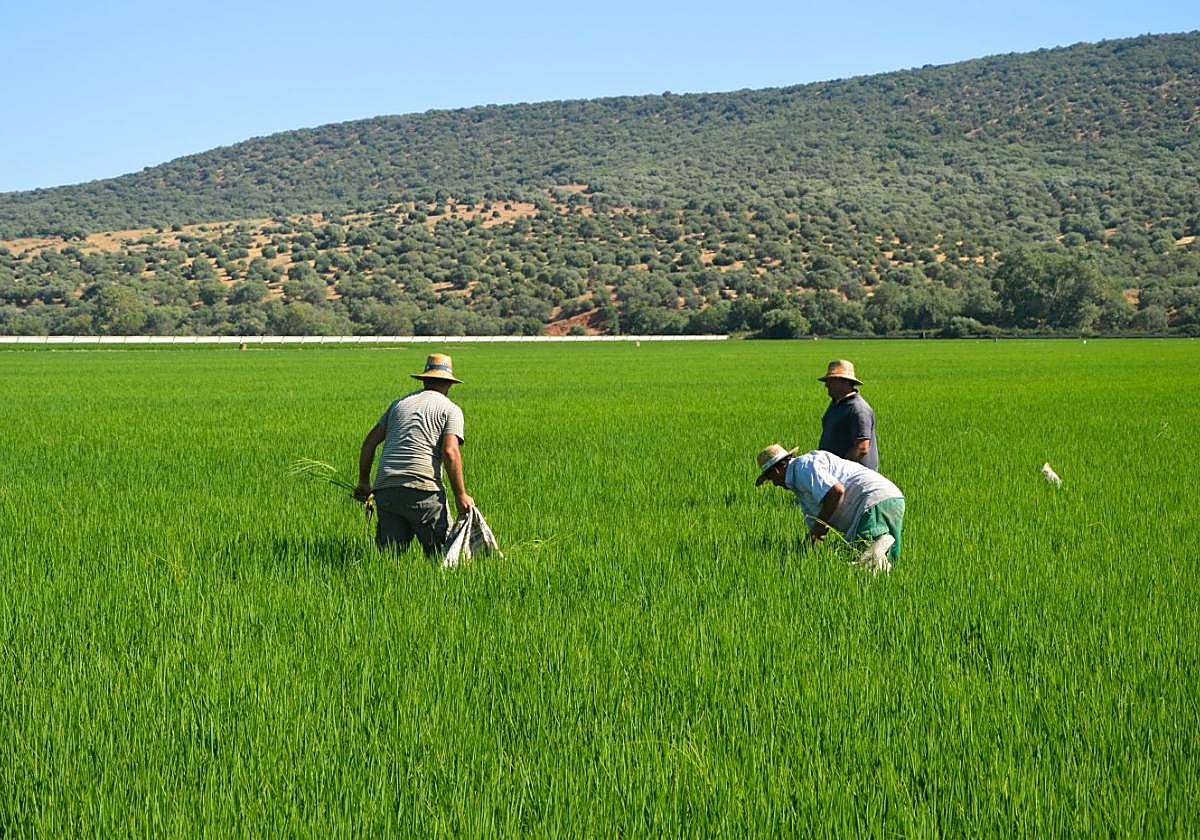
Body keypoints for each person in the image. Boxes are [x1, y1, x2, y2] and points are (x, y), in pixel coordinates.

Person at [355, 353, 474, 555]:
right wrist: (461, 495)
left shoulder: (398, 405)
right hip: (423, 490)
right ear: (449, 384)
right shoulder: (450, 409)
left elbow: (369, 444)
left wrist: (364, 483)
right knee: (442, 557)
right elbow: (450, 451)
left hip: (386, 489)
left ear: (424, 380)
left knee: (389, 557)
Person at [754, 444, 904, 571]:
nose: (775, 484)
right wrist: (805, 553)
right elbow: (816, 527)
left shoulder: (804, 467)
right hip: (888, 499)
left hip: (872, 501)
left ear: (776, 471)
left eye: (771, 479)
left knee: (866, 567)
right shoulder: (800, 485)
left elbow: (836, 492)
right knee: (884, 564)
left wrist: (820, 527)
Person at [817, 359, 879, 470]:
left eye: (831, 381)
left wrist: (838, 469)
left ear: (845, 382)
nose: (826, 385)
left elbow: (862, 447)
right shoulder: (836, 404)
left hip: (853, 475)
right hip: (835, 474)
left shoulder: (858, 409)